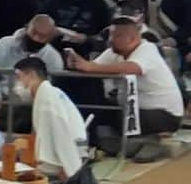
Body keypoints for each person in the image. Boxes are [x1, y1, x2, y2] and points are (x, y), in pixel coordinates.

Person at [68, 16, 185, 151]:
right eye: (110, 35)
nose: (110, 40)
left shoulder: (147, 49)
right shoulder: (114, 52)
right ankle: (122, 144)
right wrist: (77, 63)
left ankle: (147, 142)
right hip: (131, 109)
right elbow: (93, 66)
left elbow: (133, 68)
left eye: (117, 36)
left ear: (132, 38)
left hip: (163, 115)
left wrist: (90, 67)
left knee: (114, 117)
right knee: (96, 110)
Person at [12, 57, 88, 183]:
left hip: (66, 162)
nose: (17, 84)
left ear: (30, 75)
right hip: (66, 159)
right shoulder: (49, 93)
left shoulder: (48, 99)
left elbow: (62, 134)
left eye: (19, 77)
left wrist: (68, 169)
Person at [0, 14, 63, 101]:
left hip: (32, 104)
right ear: (27, 27)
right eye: (34, 33)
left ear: (50, 38)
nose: (36, 39)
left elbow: (49, 89)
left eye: (42, 36)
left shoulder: (53, 59)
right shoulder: (5, 44)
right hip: (0, 97)